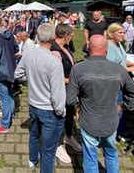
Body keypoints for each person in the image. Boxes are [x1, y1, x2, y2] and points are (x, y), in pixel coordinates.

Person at [67, 35, 134, 172]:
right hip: (110, 120)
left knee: (90, 156)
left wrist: (79, 105)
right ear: (106, 49)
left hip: (88, 120)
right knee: (111, 153)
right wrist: (121, 107)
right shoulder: (119, 70)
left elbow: (70, 100)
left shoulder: (78, 69)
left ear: (88, 48)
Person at [14, 23, 66, 172]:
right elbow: (57, 93)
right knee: (49, 149)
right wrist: (61, 111)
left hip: (34, 104)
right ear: (54, 38)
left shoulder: (29, 54)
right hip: (49, 109)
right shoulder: (54, 62)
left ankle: (32, 160)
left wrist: (30, 78)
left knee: (34, 135)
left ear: (37, 36)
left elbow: (17, 75)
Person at [50, 24, 80, 163]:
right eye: (71, 36)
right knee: (59, 117)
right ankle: (57, 145)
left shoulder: (65, 47)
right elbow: (54, 76)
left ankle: (68, 136)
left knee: (69, 113)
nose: (72, 38)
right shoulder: (55, 51)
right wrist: (72, 80)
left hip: (69, 88)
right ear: (65, 35)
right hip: (60, 90)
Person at [0, 15, 19, 134]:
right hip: (11, 69)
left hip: (1, 71)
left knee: (4, 98)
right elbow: (16, 49)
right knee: (9, 95)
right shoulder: (10, 34)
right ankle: (9, 116)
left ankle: (5, 124)